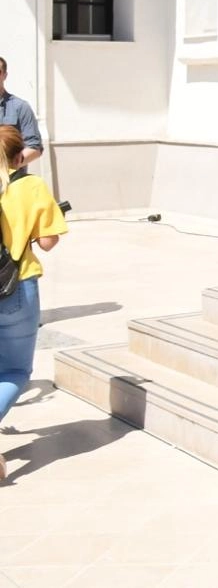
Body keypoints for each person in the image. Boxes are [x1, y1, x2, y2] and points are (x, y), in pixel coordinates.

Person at [0, 124, 68, 478]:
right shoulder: (32, 187)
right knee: (15, 370)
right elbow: (47, 243)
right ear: (18, 158)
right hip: (15, 287)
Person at [0, 59, 42, 175]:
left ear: (4, 75)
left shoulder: (20, 107)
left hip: (11, 183)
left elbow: (34, 148)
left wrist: (8, 167)